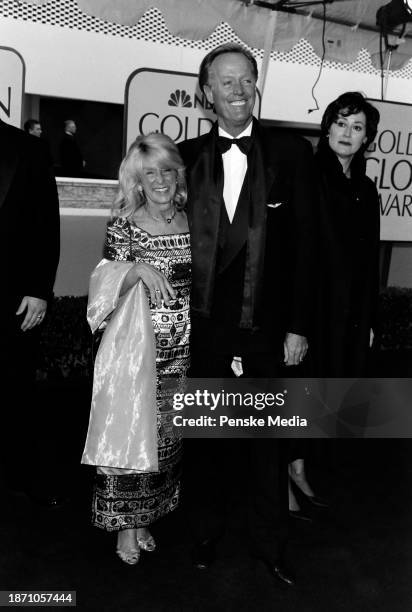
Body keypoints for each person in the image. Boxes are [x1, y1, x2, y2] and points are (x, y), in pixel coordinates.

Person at [178, 43, 317, 587]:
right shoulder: (183, 158)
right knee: (210, 440)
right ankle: (207, 531)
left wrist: (300, 324)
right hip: (204, 326)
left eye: (247, 80)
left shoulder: (291, 154)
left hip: (269, 325)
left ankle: (270, 545)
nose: (238, 91)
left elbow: (308, 247)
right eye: (226, 82)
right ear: (206, 93)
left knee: (265, 445)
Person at [82, 133, 190, 565]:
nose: (160, 180)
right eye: (150, 173)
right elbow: (101, 285)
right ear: (137, 180)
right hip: (135, 352)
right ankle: (126, 529)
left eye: (167, 170)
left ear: (178, 173)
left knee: (166, 440)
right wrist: (136, 269)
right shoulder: (124, 224)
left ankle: (146, 518)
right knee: (130, 436)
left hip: (181, 351)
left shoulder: (190, 219)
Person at [0, 118, 60, 505]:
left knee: (15, 388)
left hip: (14, 296)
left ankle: (18, 475)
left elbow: (45, 224)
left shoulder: (29, 148)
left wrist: (39, 291)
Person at [315, 92, 380, 376]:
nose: (347, 133)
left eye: (357, 127)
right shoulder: (306, 176)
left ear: (366, 138)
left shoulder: (366, 189)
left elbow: (369, 261)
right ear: (328, 127)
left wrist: (369, 322)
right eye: (341, 123)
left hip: (352, 318)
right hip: (313, 314)